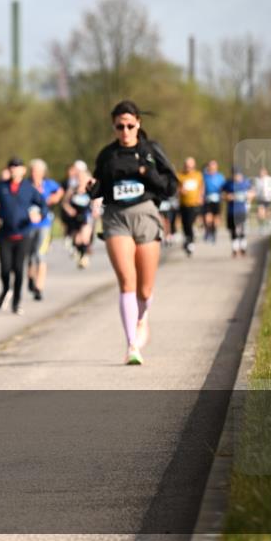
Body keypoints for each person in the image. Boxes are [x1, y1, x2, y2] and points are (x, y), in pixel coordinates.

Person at [88, 100, 178, 365]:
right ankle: (131, 346)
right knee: (127, 281)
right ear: (113, 126)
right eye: (120, 126)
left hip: (146, 215)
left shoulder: (151, 151)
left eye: (130, 125)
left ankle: (142, 318)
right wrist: (91, 188)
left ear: (138, 123)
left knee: (145, 289)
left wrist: (144, 172)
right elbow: (100, 188)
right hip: (116, 218)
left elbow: (170, 186)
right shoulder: (107, 155)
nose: (125, 131)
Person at [0, 157, 46, 315]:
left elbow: (42, 204)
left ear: (23, 170)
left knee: (19, 269)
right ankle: (6, 289)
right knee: (5, 269)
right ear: (9, 170)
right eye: (12, 167)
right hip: (4, 234)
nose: (14, 170)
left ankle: (16, 302)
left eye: (18, 167)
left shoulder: (29, 188)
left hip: (23, 234)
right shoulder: (1, 187)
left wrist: (39, 216)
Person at [26, 159, 64, 302]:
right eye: (33, 171)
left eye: (38, 171)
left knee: (39, 254)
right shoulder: (26, 185)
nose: (35, 174)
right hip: (28, 225)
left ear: (43, 172)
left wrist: (53, 198)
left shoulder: (49, 184)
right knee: (29, 256)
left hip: (44, 224)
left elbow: (60, 191)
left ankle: (39, 288)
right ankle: (30, 277)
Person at [62, 166, 96, 268]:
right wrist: (69, 209)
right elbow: (65, 202)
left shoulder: (91, 189)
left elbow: (96, 202)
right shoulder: (73, 189)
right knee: (77, 239)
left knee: (84, 237)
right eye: (79, 177)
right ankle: (80, 253)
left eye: (83, 177)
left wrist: (95, 210)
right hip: (75, 217)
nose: (81, 179)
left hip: (86, 215)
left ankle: (84, 257)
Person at [222, 168, 253, 258]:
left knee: (242, 229)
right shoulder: (228, 183)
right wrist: (227, 197)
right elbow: (222, 194)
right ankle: (235, 249)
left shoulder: (245, 183)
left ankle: (243, 248)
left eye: (238, 175)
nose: (236, 177)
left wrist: (249, 196)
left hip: (242, 210)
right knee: (233, 230)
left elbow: (252, 192)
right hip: (231, 211)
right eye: (234, 175)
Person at [176, 157, 204, 257]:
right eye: (187, 166)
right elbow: (176, 189)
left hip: (195, 204)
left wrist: (201, 196)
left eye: (191, 166)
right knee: (185, 224)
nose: (189, 168)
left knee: (191, 223)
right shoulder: (180, 175)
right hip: (183, 204)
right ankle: (187, 240)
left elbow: (201, 187)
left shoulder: (198, 175)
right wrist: (180, 191)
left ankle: (190, 243)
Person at [202, 160, 226, 245]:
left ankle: (213, 233)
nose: (212, 168)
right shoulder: (204, 176)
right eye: (210, 166)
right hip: (207, 199)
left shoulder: (220, 177)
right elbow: (202, 187)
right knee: (207, 218)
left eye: (213, 166)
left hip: (217, 200)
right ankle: (208, 231)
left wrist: (223, 194)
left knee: (216, 219)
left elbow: (223, 188)